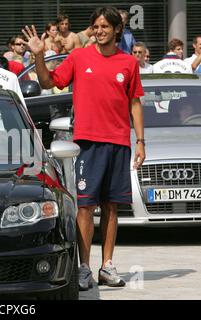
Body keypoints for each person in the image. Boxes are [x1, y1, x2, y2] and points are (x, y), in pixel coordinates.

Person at [22, 6, 145, 290]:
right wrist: (39, 55)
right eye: (96, 26)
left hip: (118, 143)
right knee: (86, 206)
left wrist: (140, 141)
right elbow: (48, 81)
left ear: (117, 30)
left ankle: (108, 266)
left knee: (111, 206)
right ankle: (84, 268)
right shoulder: (79, 57)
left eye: (105, 26)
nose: (100, 31)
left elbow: (135, 103)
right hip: (87, 143)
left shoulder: (129, 63)